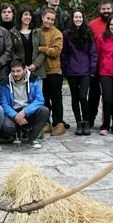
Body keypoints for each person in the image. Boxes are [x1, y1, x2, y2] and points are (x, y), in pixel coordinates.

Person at [88, 0, 113, 130]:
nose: (106, 11)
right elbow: (95, 50)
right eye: (103, 9)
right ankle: (92, 120)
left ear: (112, 9)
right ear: (100, 10)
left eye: (108, 9)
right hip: (100, 68)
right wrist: (95, 68)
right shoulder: (93, 25)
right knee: (97, 96)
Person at [62, 10, 97, 135]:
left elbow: (93, 52)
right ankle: (78, 123)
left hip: (85, 71)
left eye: (80, 17)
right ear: (72, 18)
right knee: (75, 98)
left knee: (83, 96)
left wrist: (93, 69)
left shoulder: (88, 33)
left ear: (83, 18)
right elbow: (64, 53)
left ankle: (86, 122)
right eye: (76, 17)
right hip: (72, 70)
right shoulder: (67, 34)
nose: (78, 19)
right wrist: (64, 69)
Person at [0, 60, 48, 149]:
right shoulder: (4, 83)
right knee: (7, 126)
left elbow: (40, 100)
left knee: (44, 110)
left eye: (18, 71)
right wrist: (15, 115)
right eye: (13, 71)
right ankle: (18, 133)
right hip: (13, 112)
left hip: (28, 111)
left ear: (25, 69)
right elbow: (4, 104)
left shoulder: (34, 79)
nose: (15, 74)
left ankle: (32, 139)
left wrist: (24, 112)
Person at [38, 8, 65, 136]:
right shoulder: (37, 32)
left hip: (54, 71)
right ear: (43, 17)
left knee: (56, 99)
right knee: (44, 99)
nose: (49, 21)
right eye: (47, 18)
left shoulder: (57, 33)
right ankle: (46, 123)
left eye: (52, 19)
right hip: (41, 72)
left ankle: (59, 124)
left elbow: (55, 52)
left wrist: (41, 48)